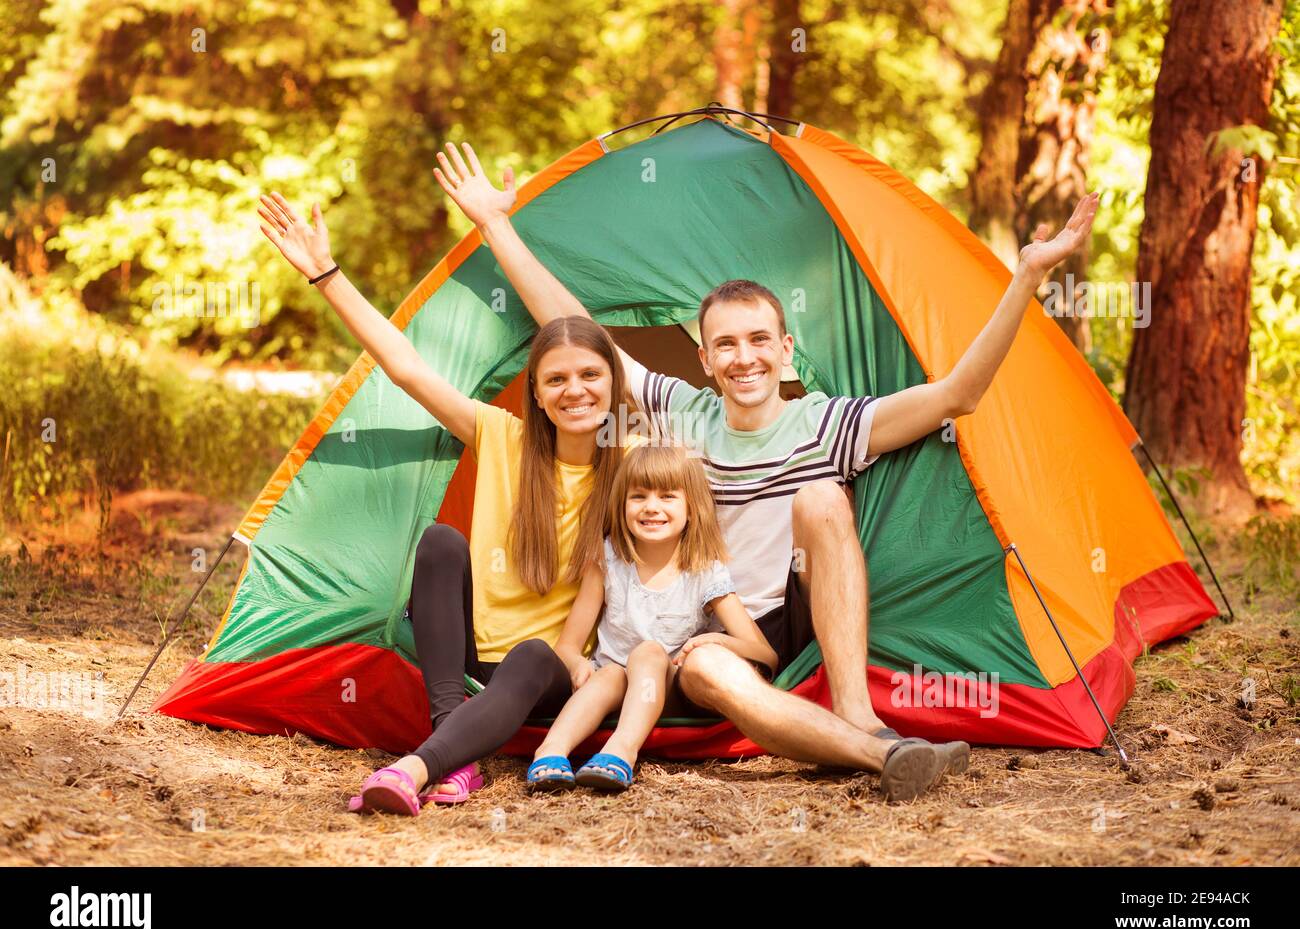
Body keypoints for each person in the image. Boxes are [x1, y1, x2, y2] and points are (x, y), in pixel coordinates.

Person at [433, 140, 1098, 801]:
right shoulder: (683, 413)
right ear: (704, 358)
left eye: (758, 341)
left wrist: (1028, 277)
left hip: (790, 612)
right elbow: (577, 328)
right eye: (725, 343)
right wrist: (495, 226)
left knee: (821, 498)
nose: (743, 358)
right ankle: (883, 757)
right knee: (714, 673)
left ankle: (858, 712)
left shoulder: (826, 422)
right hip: (709, 627)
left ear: (785, 350)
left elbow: (957, 395)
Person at [258, 190, 637, 815]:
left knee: (533, 654)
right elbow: (406, 368)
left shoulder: (633, 463)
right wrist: (326, 274)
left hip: (550, 672)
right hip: (468, 660)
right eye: (557, 379)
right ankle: (456, 748)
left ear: (614, 384)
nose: (576, 390)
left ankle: (419, 765)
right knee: (440, 542)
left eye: (591, 375)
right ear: (536, 395)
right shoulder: (501, 434)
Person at [525, 444, 775, 792]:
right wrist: (576, 664)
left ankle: (621, 752)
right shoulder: (608, 559)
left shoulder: (704, 571)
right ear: (622, 504)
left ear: (691, 507)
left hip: (668, 687)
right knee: (611, 672)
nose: (651, 507)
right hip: (610, 688)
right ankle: (550, 751)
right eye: (638, 496)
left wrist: (716, 640)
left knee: (648, 652)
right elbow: (567, 645)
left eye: (667, 496)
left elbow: (764, 653)